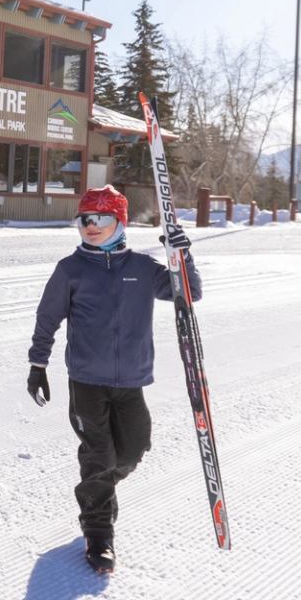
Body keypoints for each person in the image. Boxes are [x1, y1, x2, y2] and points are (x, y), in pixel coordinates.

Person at [25, 184, 200, 575]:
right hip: (86, 380)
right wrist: (38, 365)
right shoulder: (70, 270)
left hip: (131, 380)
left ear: (120, 223)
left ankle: (98, 490)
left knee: (134, 450)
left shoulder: (141, 268)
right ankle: (99, 533)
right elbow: (47, 319)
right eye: (84, 219)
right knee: (99, 456)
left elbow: (190, 293)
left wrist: (181, 255)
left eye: (100, 218)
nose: (90, 225)